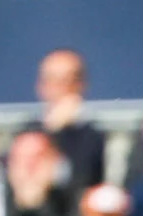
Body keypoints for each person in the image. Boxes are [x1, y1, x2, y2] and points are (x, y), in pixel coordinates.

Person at [30, 48, 108, 191]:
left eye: (68, 81)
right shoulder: (28, 132)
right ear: (41, 86)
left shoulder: (92, 136)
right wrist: (51, 129)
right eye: (53, 81)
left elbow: (83, 182)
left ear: (81, 85)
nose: (61, 89)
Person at [0, 129, 80, 216]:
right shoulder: (3, 189)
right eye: (21, 159)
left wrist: (41, 203)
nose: (29, 166)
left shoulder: (70, 190)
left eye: (36, 158)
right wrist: (21, 205)